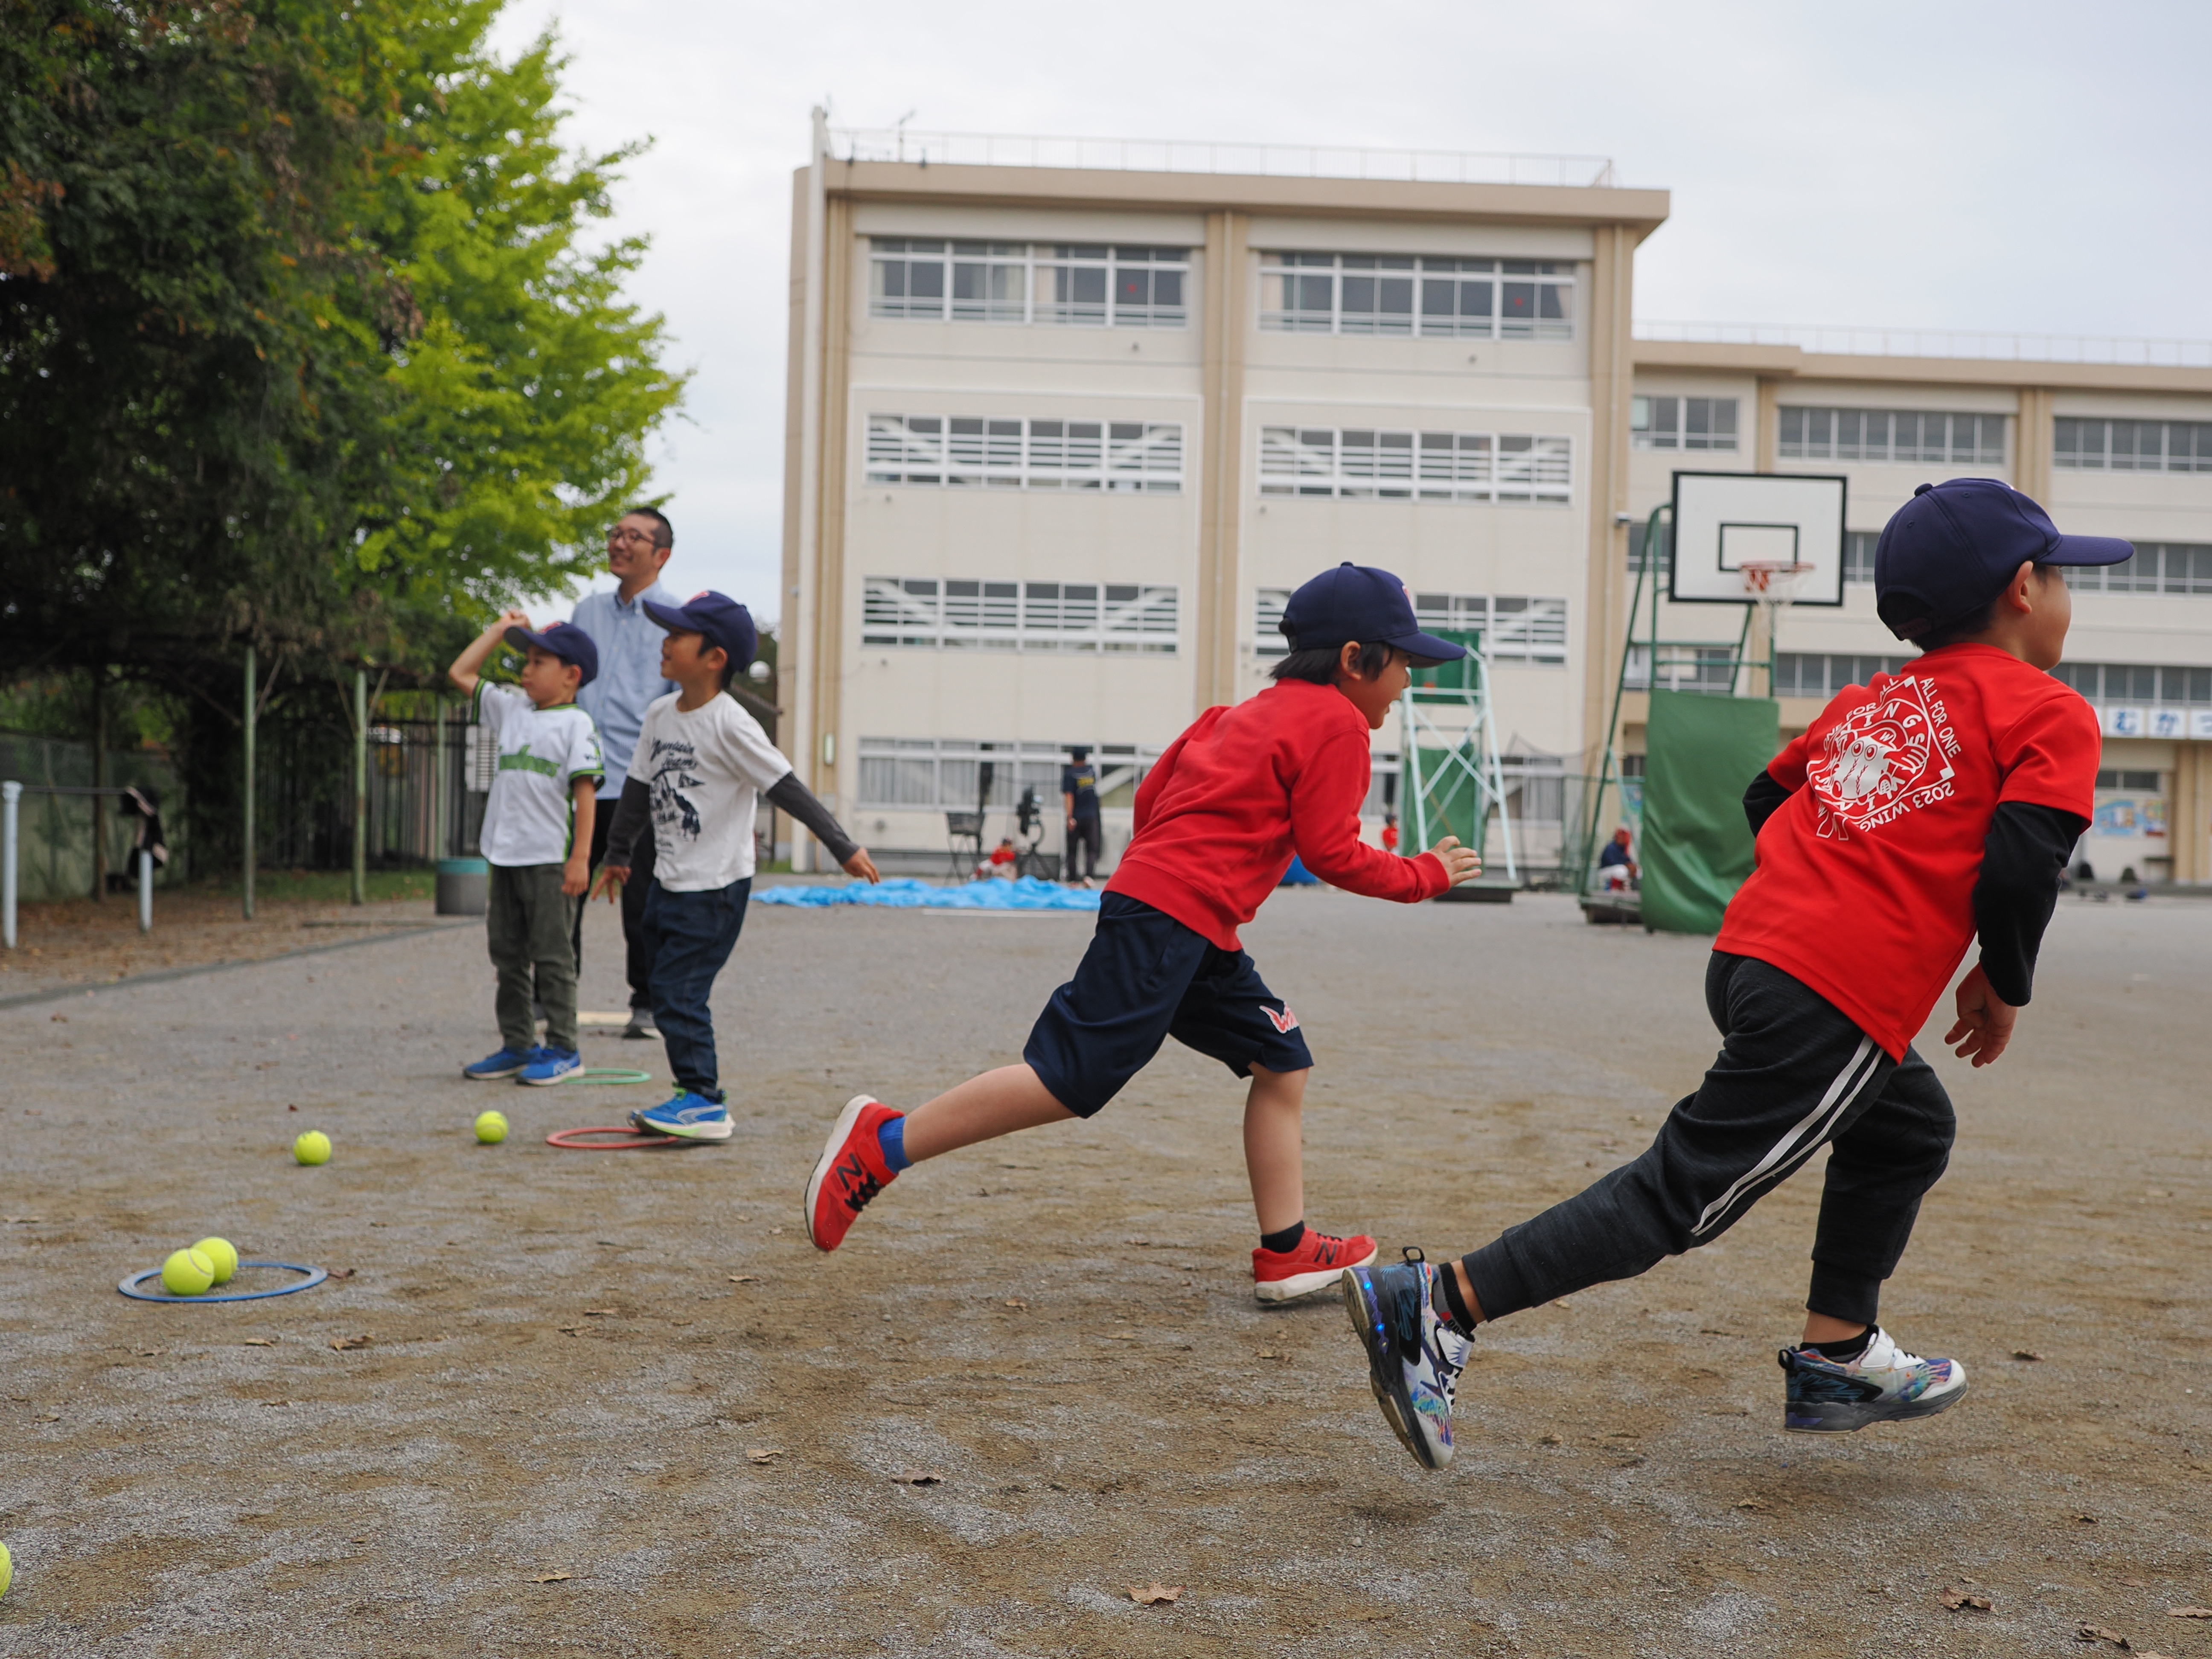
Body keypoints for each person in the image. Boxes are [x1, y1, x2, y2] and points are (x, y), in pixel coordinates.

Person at [1342, 478, 2123, 1471]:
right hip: (1834, 993)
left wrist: (1816, 884)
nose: (2066, 593)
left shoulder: (1872, 701)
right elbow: (2020, 865)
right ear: (2022, 587)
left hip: (1751, 956)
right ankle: (1439, 1302)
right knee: (1682, 1197)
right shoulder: (2051, 712)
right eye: (2062, 575)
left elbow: (1768, 794)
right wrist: (2001, 980)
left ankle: (1838, 1353)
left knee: (1910, 1126)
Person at [802, 563, 1484, 1303]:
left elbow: (1154, 797)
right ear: (1354, 659)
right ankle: (884, 1142)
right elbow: (1331, 851)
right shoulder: (1339, 724)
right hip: (1173, 919)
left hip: (1183, 920)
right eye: (1403, 662)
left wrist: (1173, 878)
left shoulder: (1229, 716)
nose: (1408, 681)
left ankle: (1286, 1249)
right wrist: (1424, 874)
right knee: (1068, 1078)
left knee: (1280, 1058)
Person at [591, 591, 881, 1138]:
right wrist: (619, 853)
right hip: (669, 880)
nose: (665, 642)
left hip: (715, 888)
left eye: (679, 635)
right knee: (664, 987)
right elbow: (637, 788)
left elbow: (786, 787)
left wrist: (841, 846)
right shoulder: (659, 715)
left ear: (714, 658)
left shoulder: (731, 724)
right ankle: (691, 1092)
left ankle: (704, 1100)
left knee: (680, 992)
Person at [450, 616, 605, 1087]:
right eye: (526, 660)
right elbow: (460, 673)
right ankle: (518, 1043)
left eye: (540, 662)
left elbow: (586, 795)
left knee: (554, 956)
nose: (526, 670)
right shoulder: (512, 709)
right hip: (504, 856)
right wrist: (499, 630)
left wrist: (580, 858)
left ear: (572, 675)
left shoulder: (577, 724)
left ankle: (564, 1048)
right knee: (508, 955)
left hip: (550, 861)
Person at [571, 507, 682, 1039]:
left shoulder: (676, 618)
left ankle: (647, 1003)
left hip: (639, 784)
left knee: (641, 903)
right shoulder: (586, 611)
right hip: (579, 780)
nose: (619, 542)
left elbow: (681, 704)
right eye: (615, 533)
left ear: (661, 555)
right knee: (562, 891)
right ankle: (552, 995)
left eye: (634, 536)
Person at [1062, 745, 1102, 885]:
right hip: (1092, 817)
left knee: (1072, 850)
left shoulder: (1070, 774)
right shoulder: (1091, 772)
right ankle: (1089, 877)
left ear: (1073, 758)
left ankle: (1073, 880)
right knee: (1092, 849)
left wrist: (1069, 817)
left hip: (1077, 817)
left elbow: (1069, 796)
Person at [1597, 825, 1637, 890]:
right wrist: (1626, 865)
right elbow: (1611, 862)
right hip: (1605, 870)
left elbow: (1628, 860)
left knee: (1638, 870)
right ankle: (1615, 887)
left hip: (1617, 869)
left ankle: (1634, 888)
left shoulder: (1623, 848)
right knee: (1622, 870)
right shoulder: (1611, 847)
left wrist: (1632, 865)